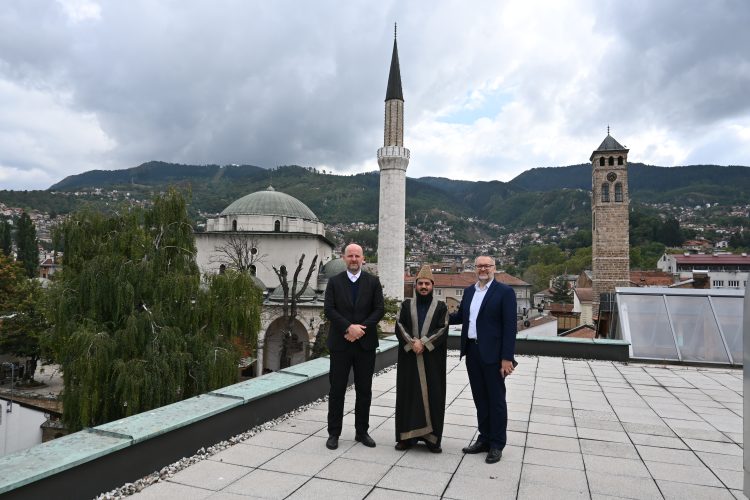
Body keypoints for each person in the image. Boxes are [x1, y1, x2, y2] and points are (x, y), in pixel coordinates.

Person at [449, 256, 517, 464]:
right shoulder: (470, 292)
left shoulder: (505, 292)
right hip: (473, 352)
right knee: (480, 399)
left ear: (494, 268)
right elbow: (460, 317)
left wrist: (507, 358)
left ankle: (497, 444)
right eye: (479, 266)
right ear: (474, 269)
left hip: (494, 355)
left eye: (487, 266)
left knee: (496, 400)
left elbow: (510, 327)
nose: (483, 269)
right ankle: (484, 438)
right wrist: (436, 314)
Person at [323, 243, 385, 450]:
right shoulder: (334, 282)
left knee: (364, 390)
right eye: (350, 255)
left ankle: (362, 431)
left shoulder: (373, 282)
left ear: (363, 258)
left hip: (365, 345)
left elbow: (379, 310)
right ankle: (333, 433)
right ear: (343, 258)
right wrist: (348, 328)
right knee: (337, 389)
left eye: (357, 256)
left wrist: (361, 329)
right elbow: (329, 310)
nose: (354, 259)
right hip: (341, 344)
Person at [394, 265, 448, 453]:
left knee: (434, 395)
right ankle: (406, 438)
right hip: (410, 358)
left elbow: (443, 328)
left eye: (427, 284)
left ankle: (432, 438)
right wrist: (412, 342)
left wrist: (423, 343)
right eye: (420, 283)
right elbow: (399, 325)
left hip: (432, 360)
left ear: (432, 285)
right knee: (407, 395)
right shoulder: (406, 305)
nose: (423, 286)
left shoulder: (441, 307)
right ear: (415, 285)